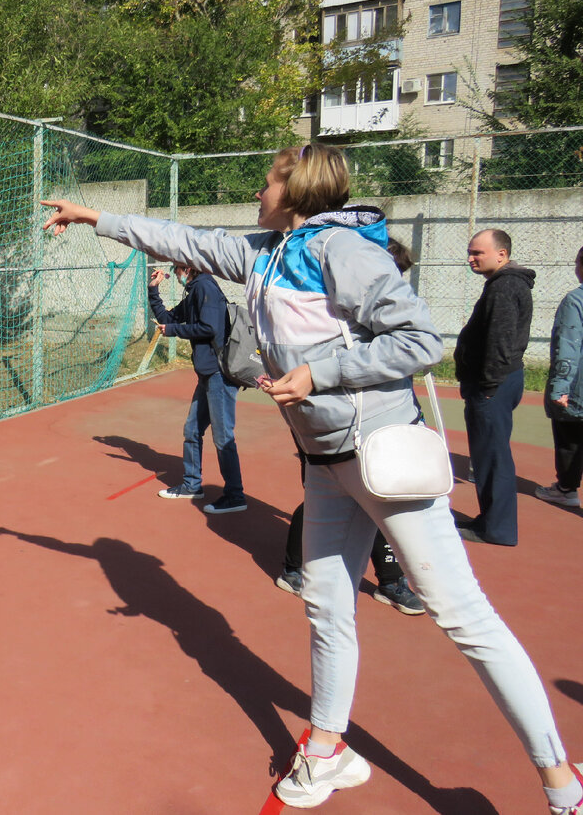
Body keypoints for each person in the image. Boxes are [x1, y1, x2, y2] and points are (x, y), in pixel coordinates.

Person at [41, 142, 582, 812]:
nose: (259, 191)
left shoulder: (342, 252)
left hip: (381, 454)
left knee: (463, 615)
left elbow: (418, 341)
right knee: (327, 607)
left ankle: (561, 782)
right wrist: (96, 217)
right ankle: (328, 751)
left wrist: (320, 373)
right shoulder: (264, 253)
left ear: (295, 190)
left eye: (267, 180)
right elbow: (184, 237)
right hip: (327, 464)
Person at [277, 236, 425, 616]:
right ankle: (295, 568)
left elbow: (412, 348)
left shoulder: (389, 308)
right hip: (329, 423)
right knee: (324, 495)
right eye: (388, 274)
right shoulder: (334, 305)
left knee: (384, 494)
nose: (392, 283)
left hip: (379, 420)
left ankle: (391, 580)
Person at [454, 228, 535, 546]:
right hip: (500, 382)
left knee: (492, 456)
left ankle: (497, 529)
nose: (471, 258)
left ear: (501, 254)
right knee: (488, 454)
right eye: (470, 252)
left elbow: (500, 342)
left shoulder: (504, 287)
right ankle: (490, 519)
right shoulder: (504, 284)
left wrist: (487, 385)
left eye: (478, 253)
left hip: (494, 385)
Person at [148, 263, 246, 513]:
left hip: (218, 373)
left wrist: (173, 331)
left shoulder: (205, 287)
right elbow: (168, 318)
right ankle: (192, 485)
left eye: (176, 268)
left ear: (188, 268)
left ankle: (235, 495)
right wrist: (153, 292)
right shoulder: (193, 290)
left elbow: (209, 327)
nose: (175, 273)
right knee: (192, 429)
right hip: (206, 372)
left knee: (223, 436)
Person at [537, 246, 583, 507]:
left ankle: (566, 488)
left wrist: (560, 387)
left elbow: (568, 345)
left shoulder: (575, 300)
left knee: (569, 436)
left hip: (577, 386)